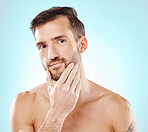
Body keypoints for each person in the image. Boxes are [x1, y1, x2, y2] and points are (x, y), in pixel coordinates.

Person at [10, 7, 138, 132]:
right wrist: (57, 113)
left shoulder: (117, 108)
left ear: (82, 45)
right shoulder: (24, 104)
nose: (51, 55)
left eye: (60, 41)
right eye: (43, 46)